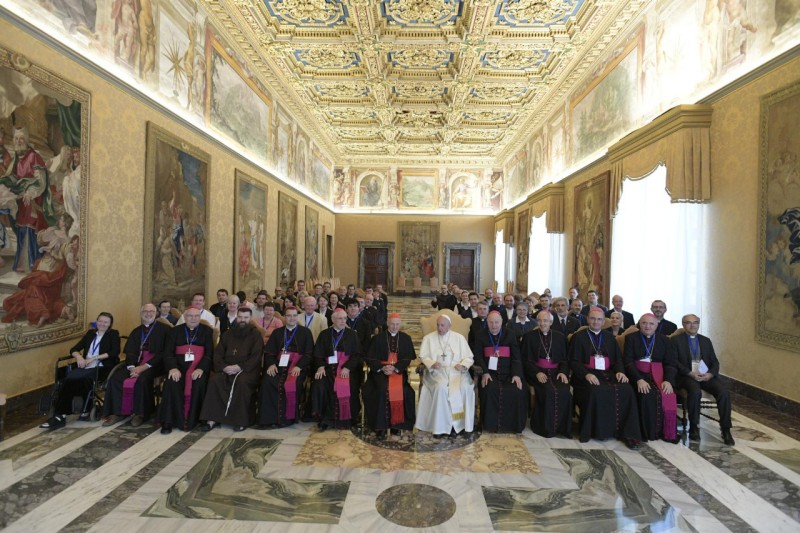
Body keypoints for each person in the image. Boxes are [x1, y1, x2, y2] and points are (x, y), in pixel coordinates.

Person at [569, 308, 642, 448]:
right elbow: (573, 361)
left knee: (627, 390)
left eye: (599, 319)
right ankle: (599, 431)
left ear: (604, 321)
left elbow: (617, 360)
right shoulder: (578, 337)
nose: (596, 322)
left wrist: (620, 372)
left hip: (608, 373)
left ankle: (627, 433)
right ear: (588, 319)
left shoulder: (609, 337)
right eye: (593, 318)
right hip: (585, 375)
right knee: (596, 390)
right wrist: (586, 374)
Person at [40, 312, 121, 430]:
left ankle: (64, 413)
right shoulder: (90, 333)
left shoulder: (113, 334)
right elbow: (74, 349)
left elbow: (114, 352)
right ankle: (64, 413)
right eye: (100, 321)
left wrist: (94, 358)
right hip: (85, 365)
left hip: (102, 366)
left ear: (110, 324)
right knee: (68, 379)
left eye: (106, 322)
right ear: (97, 321)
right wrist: (78, 357)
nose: (102, 324)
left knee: (75, 379)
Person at [103, 303, 171, 426]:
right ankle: (117, 412)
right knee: (116, 379)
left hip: (156, 365)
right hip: (136, 364)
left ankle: (140, 414)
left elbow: (164, 353)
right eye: (145, 311)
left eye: (151, 311)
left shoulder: (165, 330)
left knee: (142, 380)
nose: (148, 314)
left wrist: (143, 367)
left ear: (156, 313)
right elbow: (130, 352)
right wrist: (132, 368)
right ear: (141, 314)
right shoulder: (136, 331)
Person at [671, 314, 735, 445]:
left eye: (695, 322)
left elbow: (714, 362)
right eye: (689, 323)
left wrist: (710, 374)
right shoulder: (675, 340)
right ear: (683, 324)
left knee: (723, 392)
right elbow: (674, 361)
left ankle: (726, 429)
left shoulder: (705, 340)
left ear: (698, 324)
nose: (692, 325)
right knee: (695, 392)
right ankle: (694, 427)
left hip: (705, 375)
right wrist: (690, 373)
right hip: (686, 376)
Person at [200, 307, 263, 431]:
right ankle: (212, 418)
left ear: (250, 318)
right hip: (226, 368)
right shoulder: (228, 334)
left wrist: (240, 367)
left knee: (242, 382)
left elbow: (256, 356)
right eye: (240, 317)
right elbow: (218, 353)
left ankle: (240, 421)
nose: (242, 320)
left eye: (245, 317)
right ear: (236, 317)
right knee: (214, 380)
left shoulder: (255, 335)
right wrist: (224, 367)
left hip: (246, 370)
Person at [416, 315, 475, 438]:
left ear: (450, 326)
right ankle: (440, 427)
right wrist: (432, 363)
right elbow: (424, 356)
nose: (439, 328)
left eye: (442, 325)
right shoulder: (429, 338)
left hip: (457, 372)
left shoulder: (459, 338)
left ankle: (460, 424)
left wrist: (463, 365)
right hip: (437, 372)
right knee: (441, 388)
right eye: (438, 325)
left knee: (464, 388)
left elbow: (469, 357)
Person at [623, 314, 678, 442]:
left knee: (668, 394)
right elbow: (628, 362)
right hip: (638, 374)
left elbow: (670, 363)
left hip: (659, 375)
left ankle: (666, 432)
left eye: (651, 324)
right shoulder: (631, 338)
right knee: (646, 394)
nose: (647, 326)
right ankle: (647, 432)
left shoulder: (664, 340)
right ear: (639, 324)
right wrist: (638, 379)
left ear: (656, 325)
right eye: (644, 323)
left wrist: (668, 380)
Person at [158, 308, 214, 434]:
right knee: (172, 382)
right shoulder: (175, 331)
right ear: (184, 317)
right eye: (190, 316)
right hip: (179, 367)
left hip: (198, 367)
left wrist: (201, 368)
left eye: (196, 316)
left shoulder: (207, 331)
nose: (193, 318)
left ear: (200, 317)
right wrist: (173, 368)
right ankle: (168, 421)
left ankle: (196, 418)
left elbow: (209, 353)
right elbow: (168, 353)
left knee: (199, 382)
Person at [258, 306, 314, 429]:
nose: (292, 318)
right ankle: (268, 419)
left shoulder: (305, 332)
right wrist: (271, 364)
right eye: (289, 316)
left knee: (292, 384)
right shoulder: (277, 332)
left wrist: (299, 366)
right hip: (278, 366)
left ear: (297, 317)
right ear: (284, 317)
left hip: (296, 367)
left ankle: (287, 419)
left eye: (294, 316)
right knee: (267, 381)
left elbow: (309, 354)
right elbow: (269, 352)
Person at [363, 313, 417, 439]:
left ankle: (396, 425)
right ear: (387, 323)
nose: (394, 327)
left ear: (400, 324)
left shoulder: (406, 338)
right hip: (380, 373)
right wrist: (382, 367)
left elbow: (408, 358)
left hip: (398, 371)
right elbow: (370, 358)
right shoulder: (377, 338)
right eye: (392, 324)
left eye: (397, 324)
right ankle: (380, 426)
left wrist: (395, 367)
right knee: (380, 389)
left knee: (404, 391)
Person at [473, 312, 526, 433]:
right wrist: (485, 372)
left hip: (509, 373)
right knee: (488, 389)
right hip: (490, 374)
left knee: (517, 390)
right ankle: (491, 425)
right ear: (487, 322)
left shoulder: (510, 334)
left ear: (502, 322)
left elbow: (516, 356)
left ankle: (513, 425)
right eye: (491, 322)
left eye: (496, 322)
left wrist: (516, 374)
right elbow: (478, 356)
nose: (494, 325)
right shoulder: (480, 335)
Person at [521, 310, 572, 438]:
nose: (542, 323)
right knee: (548, 390)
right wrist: (536, 372)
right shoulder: (529, 337)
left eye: (545, 321)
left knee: (564, 390)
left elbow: (565, 359)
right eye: (540, 320)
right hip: (537, 372)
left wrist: (563, 372)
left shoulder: (560, 337)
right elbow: (525, 360)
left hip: (556, 373)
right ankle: (544, 428)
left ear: (551, 322)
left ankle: (562, 428)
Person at [311, 308, 363, 430]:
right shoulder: (324, 334)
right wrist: (320, 366)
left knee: (350, 386)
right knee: (319, 385)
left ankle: (347, 419)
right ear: (333, 319)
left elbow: (357, 355)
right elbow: (317, 354)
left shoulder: (352, 334)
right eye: (340, 318)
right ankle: (324, 419)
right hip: (328, 369)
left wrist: (348, 367)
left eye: (345, 318)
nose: (343, 321)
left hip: (346, 369)